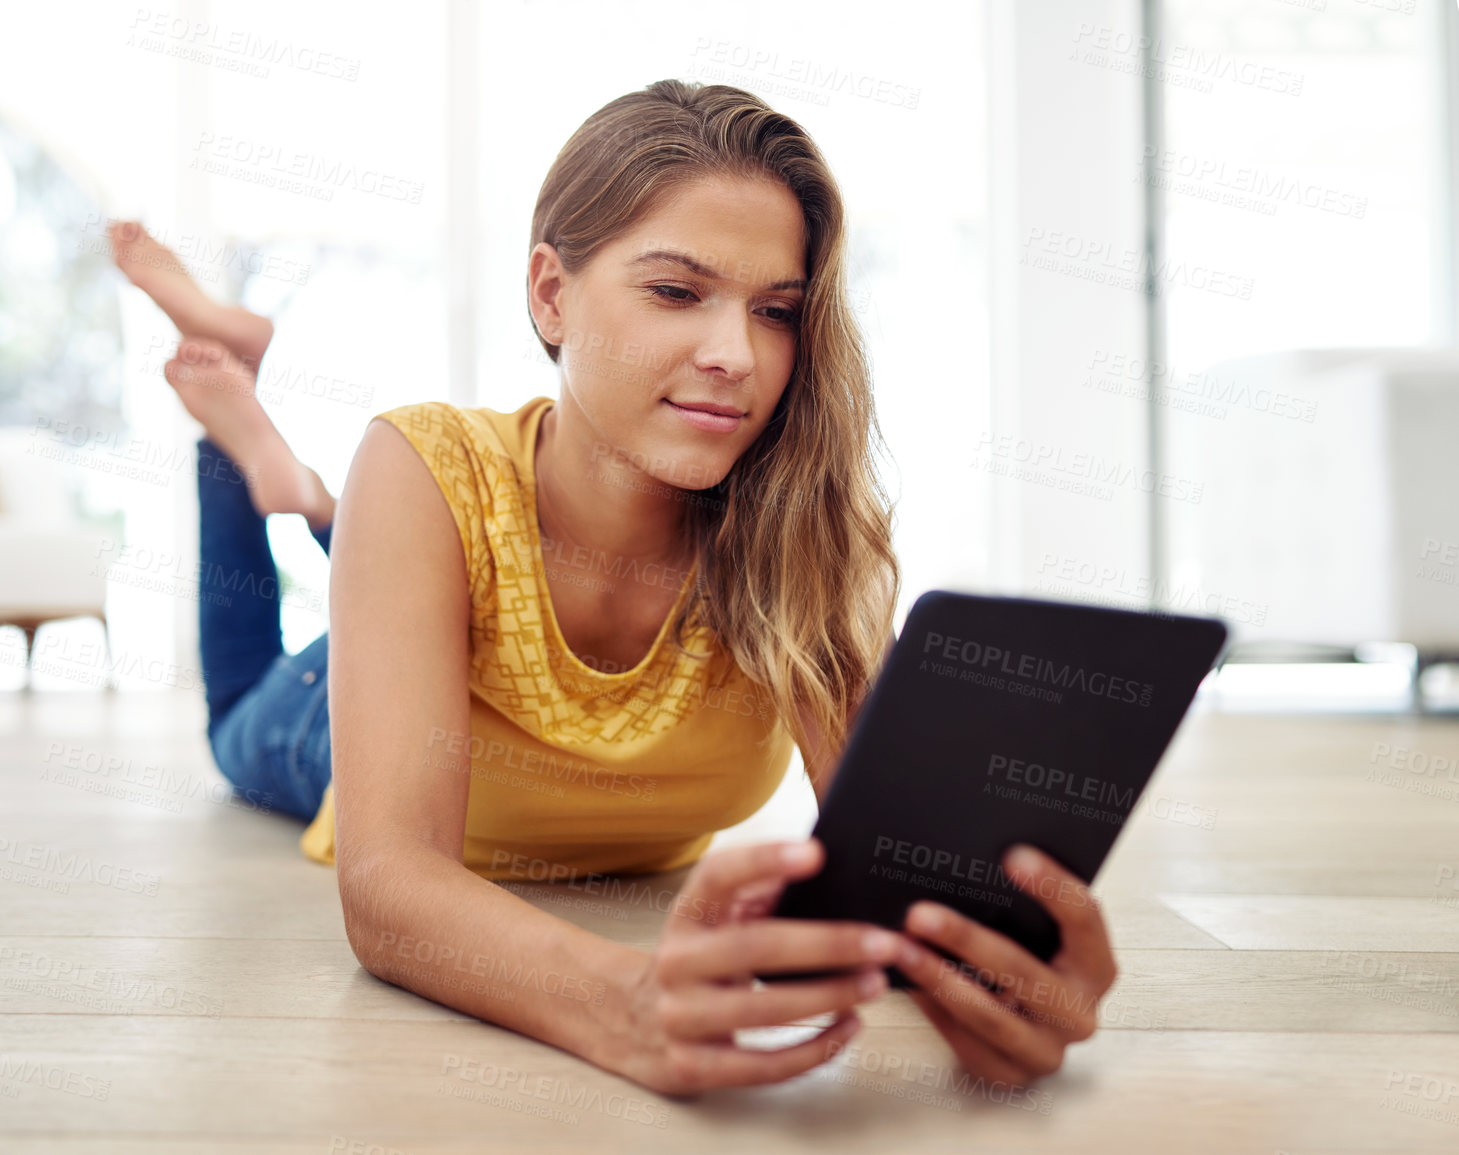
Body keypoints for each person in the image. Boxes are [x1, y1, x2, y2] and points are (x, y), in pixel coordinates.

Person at [109, 77, 1117, 1099]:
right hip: (322, 722)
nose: (736, 356)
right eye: (676, 292)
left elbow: (902, 868)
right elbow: (389, 893)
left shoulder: (810, 533)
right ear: (551, 294)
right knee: (237, 706)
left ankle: (306, 495)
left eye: (775, 311)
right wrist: (623, 1003)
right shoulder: (425, 457)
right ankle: (242, 451)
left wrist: (1001, 964)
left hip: (455, 566)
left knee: (420, 541)